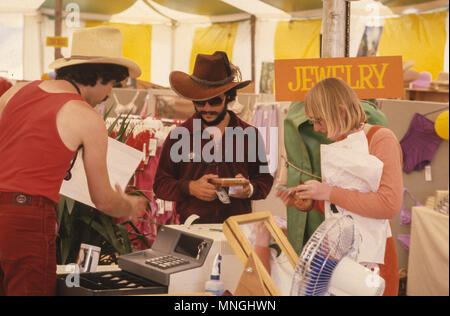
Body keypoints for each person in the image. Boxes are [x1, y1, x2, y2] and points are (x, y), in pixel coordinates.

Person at [0, 26, 146, 296]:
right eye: (112, 84)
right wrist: (128, 204)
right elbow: (102, 199)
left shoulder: (15, 92)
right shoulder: (86, 117)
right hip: (27, 217)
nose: (109, 94)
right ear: (101, 77)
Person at [277, 77, 403, 296]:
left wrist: (327, 192)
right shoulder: (336, 146)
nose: (316, 128)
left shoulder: (381, 139)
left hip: (375, 257)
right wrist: (310, 202)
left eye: (319, 120)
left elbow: (388, 205)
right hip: (337, 256)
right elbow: (342, 209)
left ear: (341, 111)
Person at [153, 51, 274, 223]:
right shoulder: (179, 136)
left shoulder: (250, 135)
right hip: (192, 230)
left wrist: (250, 189)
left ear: (228, 97)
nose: (207, 108)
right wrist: (190, 187)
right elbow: (160, 185)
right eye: (200, 102)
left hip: (238, 231)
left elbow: (264, 180)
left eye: (215, 101)